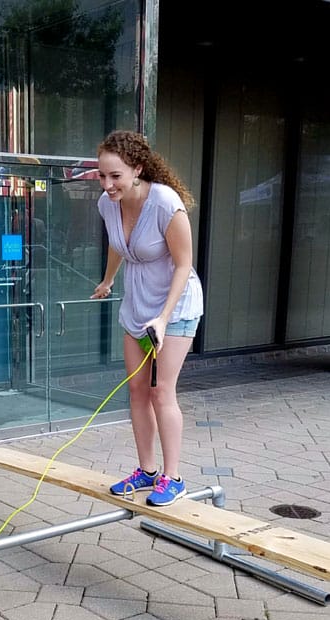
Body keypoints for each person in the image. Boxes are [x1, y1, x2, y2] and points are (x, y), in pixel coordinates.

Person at [91, 130, 203, 506]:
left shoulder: (165, 203)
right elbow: (117, 243)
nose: (108, 184)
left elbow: (185, 264)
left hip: (176, 307)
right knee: (137, 391)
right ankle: (147, 471)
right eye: (102, 176)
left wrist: (164, 318)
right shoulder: (108, 204)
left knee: (160, 391)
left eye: (115, 176)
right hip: (137, 307)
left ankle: (174, 477)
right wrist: (107, 280)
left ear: (137, 169)